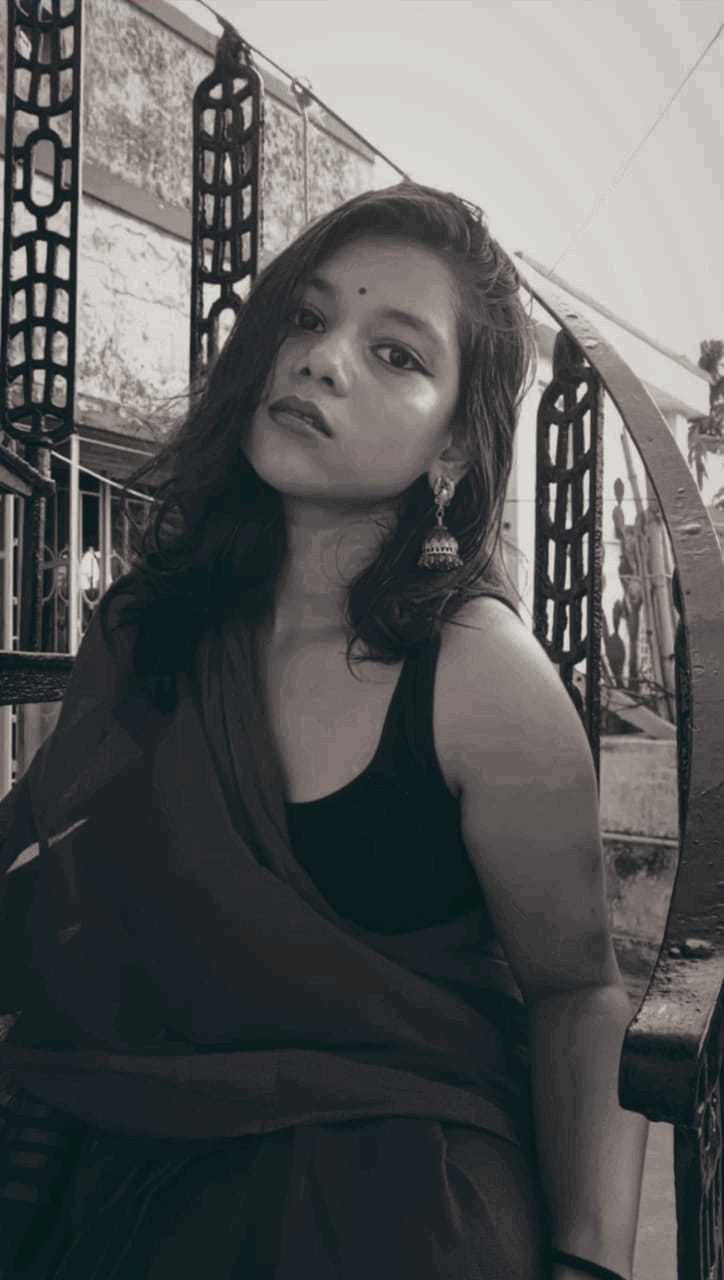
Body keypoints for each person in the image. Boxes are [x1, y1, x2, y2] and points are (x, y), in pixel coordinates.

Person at [0, 182, 648, 1279]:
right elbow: (57, 865)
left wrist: (589, 1267)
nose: (322, 359)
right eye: (306, 317)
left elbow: (577, 991)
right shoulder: (158, 626)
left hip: (389, 1186)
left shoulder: (479, 675)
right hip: (126, 1122)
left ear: (452, 447)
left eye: (397, 353)